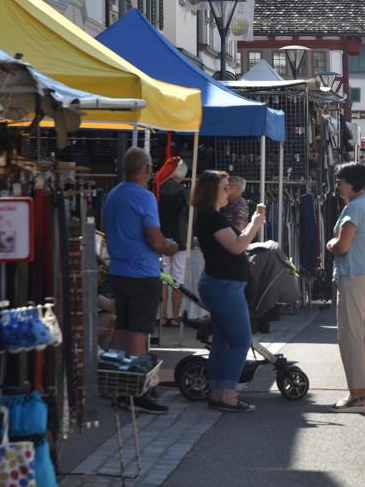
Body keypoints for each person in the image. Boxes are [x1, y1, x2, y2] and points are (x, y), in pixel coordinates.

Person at [103, 148, 179, 414]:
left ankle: (118, 386)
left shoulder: (113, 195)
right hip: (141, 272)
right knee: (138, 332)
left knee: (123, 329)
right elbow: (155, 240)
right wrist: (170, 246)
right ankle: (136, 391)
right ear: (147, 169)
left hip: (119, 270)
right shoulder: (144, 197)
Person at [191, 171, 266, 412]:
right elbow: (236, 246)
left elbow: (232, 249)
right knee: (240, 341)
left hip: (224, 284)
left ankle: (219, 392)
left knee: (224, 341)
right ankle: (227, 395)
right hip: (223, 286)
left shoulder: (212, 216)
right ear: (213, 190)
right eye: (225, 187)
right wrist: (255, 224)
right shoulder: (210, 217)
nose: (229, 191)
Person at [327, 162, 365, 412]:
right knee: (363, 335)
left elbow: (342, 245)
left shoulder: (354, 208)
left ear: (352, 183)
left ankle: (358, 396)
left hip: (354, 276)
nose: (337, 186)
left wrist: (330, 244)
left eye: (340, 181)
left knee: (350, 337)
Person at [158, 159, 189, 326]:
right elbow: (190, 217)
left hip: (162, 236)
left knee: (164, 276)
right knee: (178, 277)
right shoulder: (185, 193)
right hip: (181, 238)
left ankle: (163, 315)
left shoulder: (158, 190)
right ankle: (175, 316)